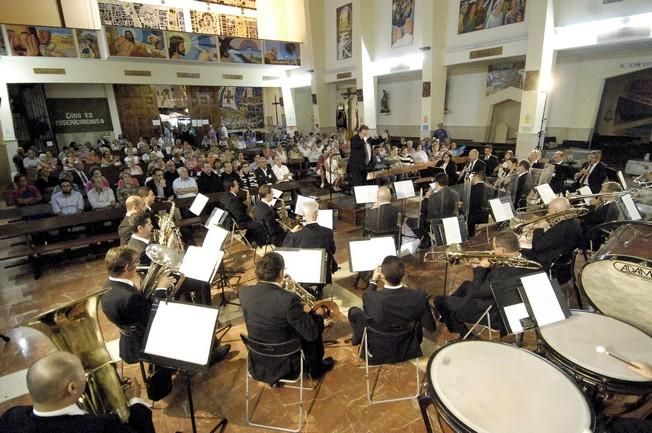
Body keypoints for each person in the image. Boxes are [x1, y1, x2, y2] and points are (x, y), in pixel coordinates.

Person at [0, 351, 155, 433]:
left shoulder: (11, 416)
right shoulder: (101, 427)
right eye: (83, 374)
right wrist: (135, 400)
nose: (86, 376)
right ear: (72, 388)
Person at [239, 252, 334, 385]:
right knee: (313, 324)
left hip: (259, 360)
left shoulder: (244, 292)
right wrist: (318, 317)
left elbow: (268, 306)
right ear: (281, 272)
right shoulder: (289, 300)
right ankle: (316, 369)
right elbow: (311, 334)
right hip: (288, 363)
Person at [433, 231, 534, 339]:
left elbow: (478, 291)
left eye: (494, 247)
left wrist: (479, 268)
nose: (492, 250)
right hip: (499, 299)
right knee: (466, 285)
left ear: (503, 250)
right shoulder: (524, 259)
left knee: (439, 300)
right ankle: (448, 314)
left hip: (491, 312)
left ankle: (465, 334)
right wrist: (489, 266)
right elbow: (494, 282)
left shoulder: (503, 273)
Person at [348, 256, 436, 362]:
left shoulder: (370, 298)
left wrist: (373, 281)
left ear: (382, 275)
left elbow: (368, 296)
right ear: (403, 275)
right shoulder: (419, 297)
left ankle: (356, 339)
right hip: (408, 349)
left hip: (378, 350)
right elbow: (430, 328)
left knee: (353, 311)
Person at [283, 200, 337, 284]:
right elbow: (333, 250)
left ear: (303, 215)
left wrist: (290, 233)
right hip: (322, 274)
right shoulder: (328, 232)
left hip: (303, 273)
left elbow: (285, 250)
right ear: (317, 213)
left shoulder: (296, 235)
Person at [523, 197, 582, 270]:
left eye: (549, 209)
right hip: (559, 252)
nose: (548, 211)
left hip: (545, 260)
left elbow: (537, 246)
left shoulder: (561, 228)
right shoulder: (573, 221)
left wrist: (539, 228)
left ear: (555, 212)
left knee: (519, 249)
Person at [219, 179, 266, 245]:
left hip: (227, 222)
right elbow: (240, 217)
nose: (238, 186)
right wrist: (251, 217)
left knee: (253, 223)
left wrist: (243, 205)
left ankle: (248, 240)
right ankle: (260, 244)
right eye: (237, 185)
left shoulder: (223, 197)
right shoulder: (233, 200)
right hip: (234, 224)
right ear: (231, 188)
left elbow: (235, 208)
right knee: (259, 224)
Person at [419, 173, 459, 244]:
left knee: (420, 219)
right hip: (451, 221)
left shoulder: (434, 196)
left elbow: (422, 209)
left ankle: (426, 239)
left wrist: (426, 197)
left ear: (437, 183)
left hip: (437, 224)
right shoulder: (455, 194)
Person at [581, 182, 624, 250]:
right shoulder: (611, 203)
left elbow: (589, 220)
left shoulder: (609, 207)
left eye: (602, 190)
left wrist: (592, 206)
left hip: (593, 235)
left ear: (610, 193)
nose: (599, 192)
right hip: (596, 230)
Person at [467, 172, 488, 238]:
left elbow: (472, 204)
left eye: (473, 177)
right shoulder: (487, 187)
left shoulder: (473, 188)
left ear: (477, 177)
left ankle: (470, 235)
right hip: (485, 215)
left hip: (474, 216)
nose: (472, 179)